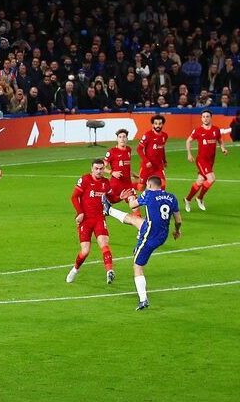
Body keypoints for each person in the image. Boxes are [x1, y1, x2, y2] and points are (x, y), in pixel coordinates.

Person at [106, 177, 183, 310]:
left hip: (150, 235)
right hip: (162, 233)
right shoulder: (172, 197)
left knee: (137, 266)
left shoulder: (148, 194)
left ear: (149, 184)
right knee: (134, 220)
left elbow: (132, 205)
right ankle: (108, 210)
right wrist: (177, 231)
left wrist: (130, 196)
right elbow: (178, 219)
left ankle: (143, 299)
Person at [66, 159, 116, 285]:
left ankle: (109, 271)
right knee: (85, 251)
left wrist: (123, 196)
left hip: (99, 218)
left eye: (101, 169)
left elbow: (112, 198)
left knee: (104, 243)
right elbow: (74, 197)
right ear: (92, 169)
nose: (99, 171)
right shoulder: (85, 180)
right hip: (86, 220)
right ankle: (75, 269)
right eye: (96, 169)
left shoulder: (106, 183)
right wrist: (80, 212)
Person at [184, 109, 229, 212]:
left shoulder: (216, 130)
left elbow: (220, 140)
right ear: (201, 118)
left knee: (199, 182)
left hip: (210, 161)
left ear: (211, 117)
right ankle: (199, 198)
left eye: (207, 116)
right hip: (201, 160)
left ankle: (187, 199)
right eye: (203, 116)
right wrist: (189, 154)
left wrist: (223, 148)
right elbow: (188, 141)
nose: (205, 118)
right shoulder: (198, 130)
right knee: (211, 179)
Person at [104, 129, 140, 216]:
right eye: (120, 137)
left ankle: (140, 226)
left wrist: (134, 174)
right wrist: (112, 172)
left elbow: (126, 167)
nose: (122, 139)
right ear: (117, 139)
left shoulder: (128, 150)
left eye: (124, 137)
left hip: (127, 184)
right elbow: (102, 167)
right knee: (109, 202)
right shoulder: (112, 152)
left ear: (127, 139)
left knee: (135, 206)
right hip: (116, 183)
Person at [136, 114, 168, 190]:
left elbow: (162, 148)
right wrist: (146, 161)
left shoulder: (164, 136)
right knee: (141, 187)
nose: (158, 126)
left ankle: (159, 201)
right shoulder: (148, 135)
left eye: (160, 124)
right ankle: (130, 186)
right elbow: (139, 149)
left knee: (162, 184)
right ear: (152, 124)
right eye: (156, 123)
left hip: (158, 166)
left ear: (162, 124)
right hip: (147, 166)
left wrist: (164, 160)